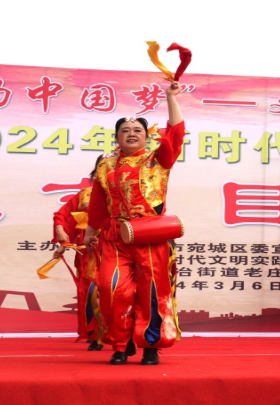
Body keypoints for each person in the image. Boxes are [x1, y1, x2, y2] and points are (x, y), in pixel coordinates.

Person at [84, 81, 185, 365]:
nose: (131, 133)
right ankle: (121, 344)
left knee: (152, 292)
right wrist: (90, 232)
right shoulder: (105, 165)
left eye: (137, 130)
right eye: (125, 130)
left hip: (150, 236)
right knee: (112, 288)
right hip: (115, 237)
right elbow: (98, 202)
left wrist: (171, 98)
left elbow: (176, 133)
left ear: (146, 137)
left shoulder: (158, 160)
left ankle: (151, 346)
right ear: (117, 137)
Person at [52, 155, 105, 350]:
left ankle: (121, 334)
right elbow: (61, 215)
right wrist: (63, 239)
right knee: (90, 291)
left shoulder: (125, 196)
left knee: (117, 291)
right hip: (88, 253)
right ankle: (95, 333)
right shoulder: (84, 195)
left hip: (116, 250)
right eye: (101, 168)